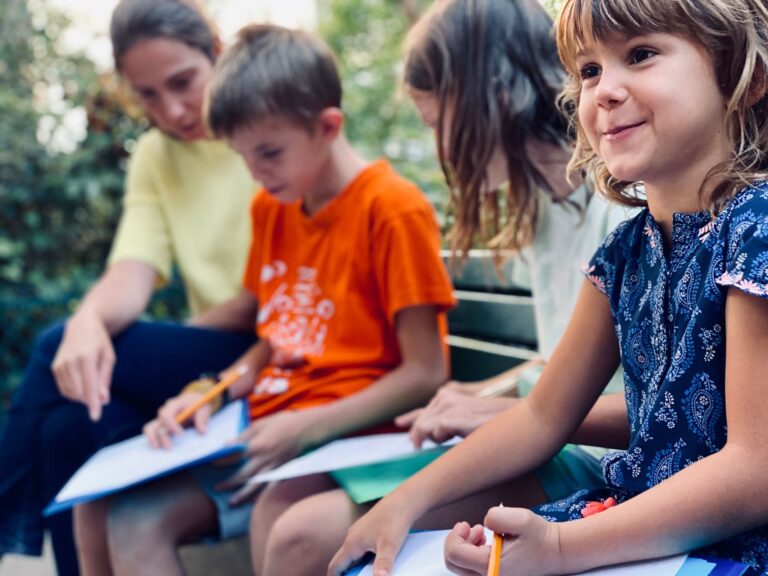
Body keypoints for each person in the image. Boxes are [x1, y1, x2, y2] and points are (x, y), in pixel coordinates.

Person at [329, 0, 768, 573]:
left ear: (745, 75)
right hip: (642, 535)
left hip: (734, 549)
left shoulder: (755, 230)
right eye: (589, 70)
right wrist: (404, 501)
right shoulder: (621, 254)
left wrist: (560, 547)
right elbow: (541, 417)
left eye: (640, 55)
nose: (605, 90)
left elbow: (755, 466)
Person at [248, 2, 634, 575]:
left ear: (488, 95)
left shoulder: (621, 207)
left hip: (598, 460)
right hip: (557, 435)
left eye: (437, 125)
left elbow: (651, 402)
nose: (439, 151)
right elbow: (561, 361)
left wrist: (507, 404)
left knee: (303, 537)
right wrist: (484, 396)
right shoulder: (550, 210)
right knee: (285, 510)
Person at [73, 22, 456, 576]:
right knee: (119, 513)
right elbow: (272, 339)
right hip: (261, 429)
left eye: (269, 153)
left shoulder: (390, 209)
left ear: (328, 126)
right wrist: (211, 390)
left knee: (276, 512)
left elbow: (425, 371)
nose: (256, 173)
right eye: (243, 157)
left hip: (344, 436)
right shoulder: (273, 208)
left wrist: (306, 427)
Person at [0, 1, 260, 574]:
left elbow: (265, 300)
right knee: (72, 423)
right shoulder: (155, 155)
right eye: (147, 95)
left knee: (51, 346)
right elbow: (133, 267)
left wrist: (160, 345)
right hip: (200, 364)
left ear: (215, 50)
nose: (171, 109)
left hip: (261, 356)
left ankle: (4, 524)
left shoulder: (263, 130)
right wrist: (91, 322)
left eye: (183, 82)